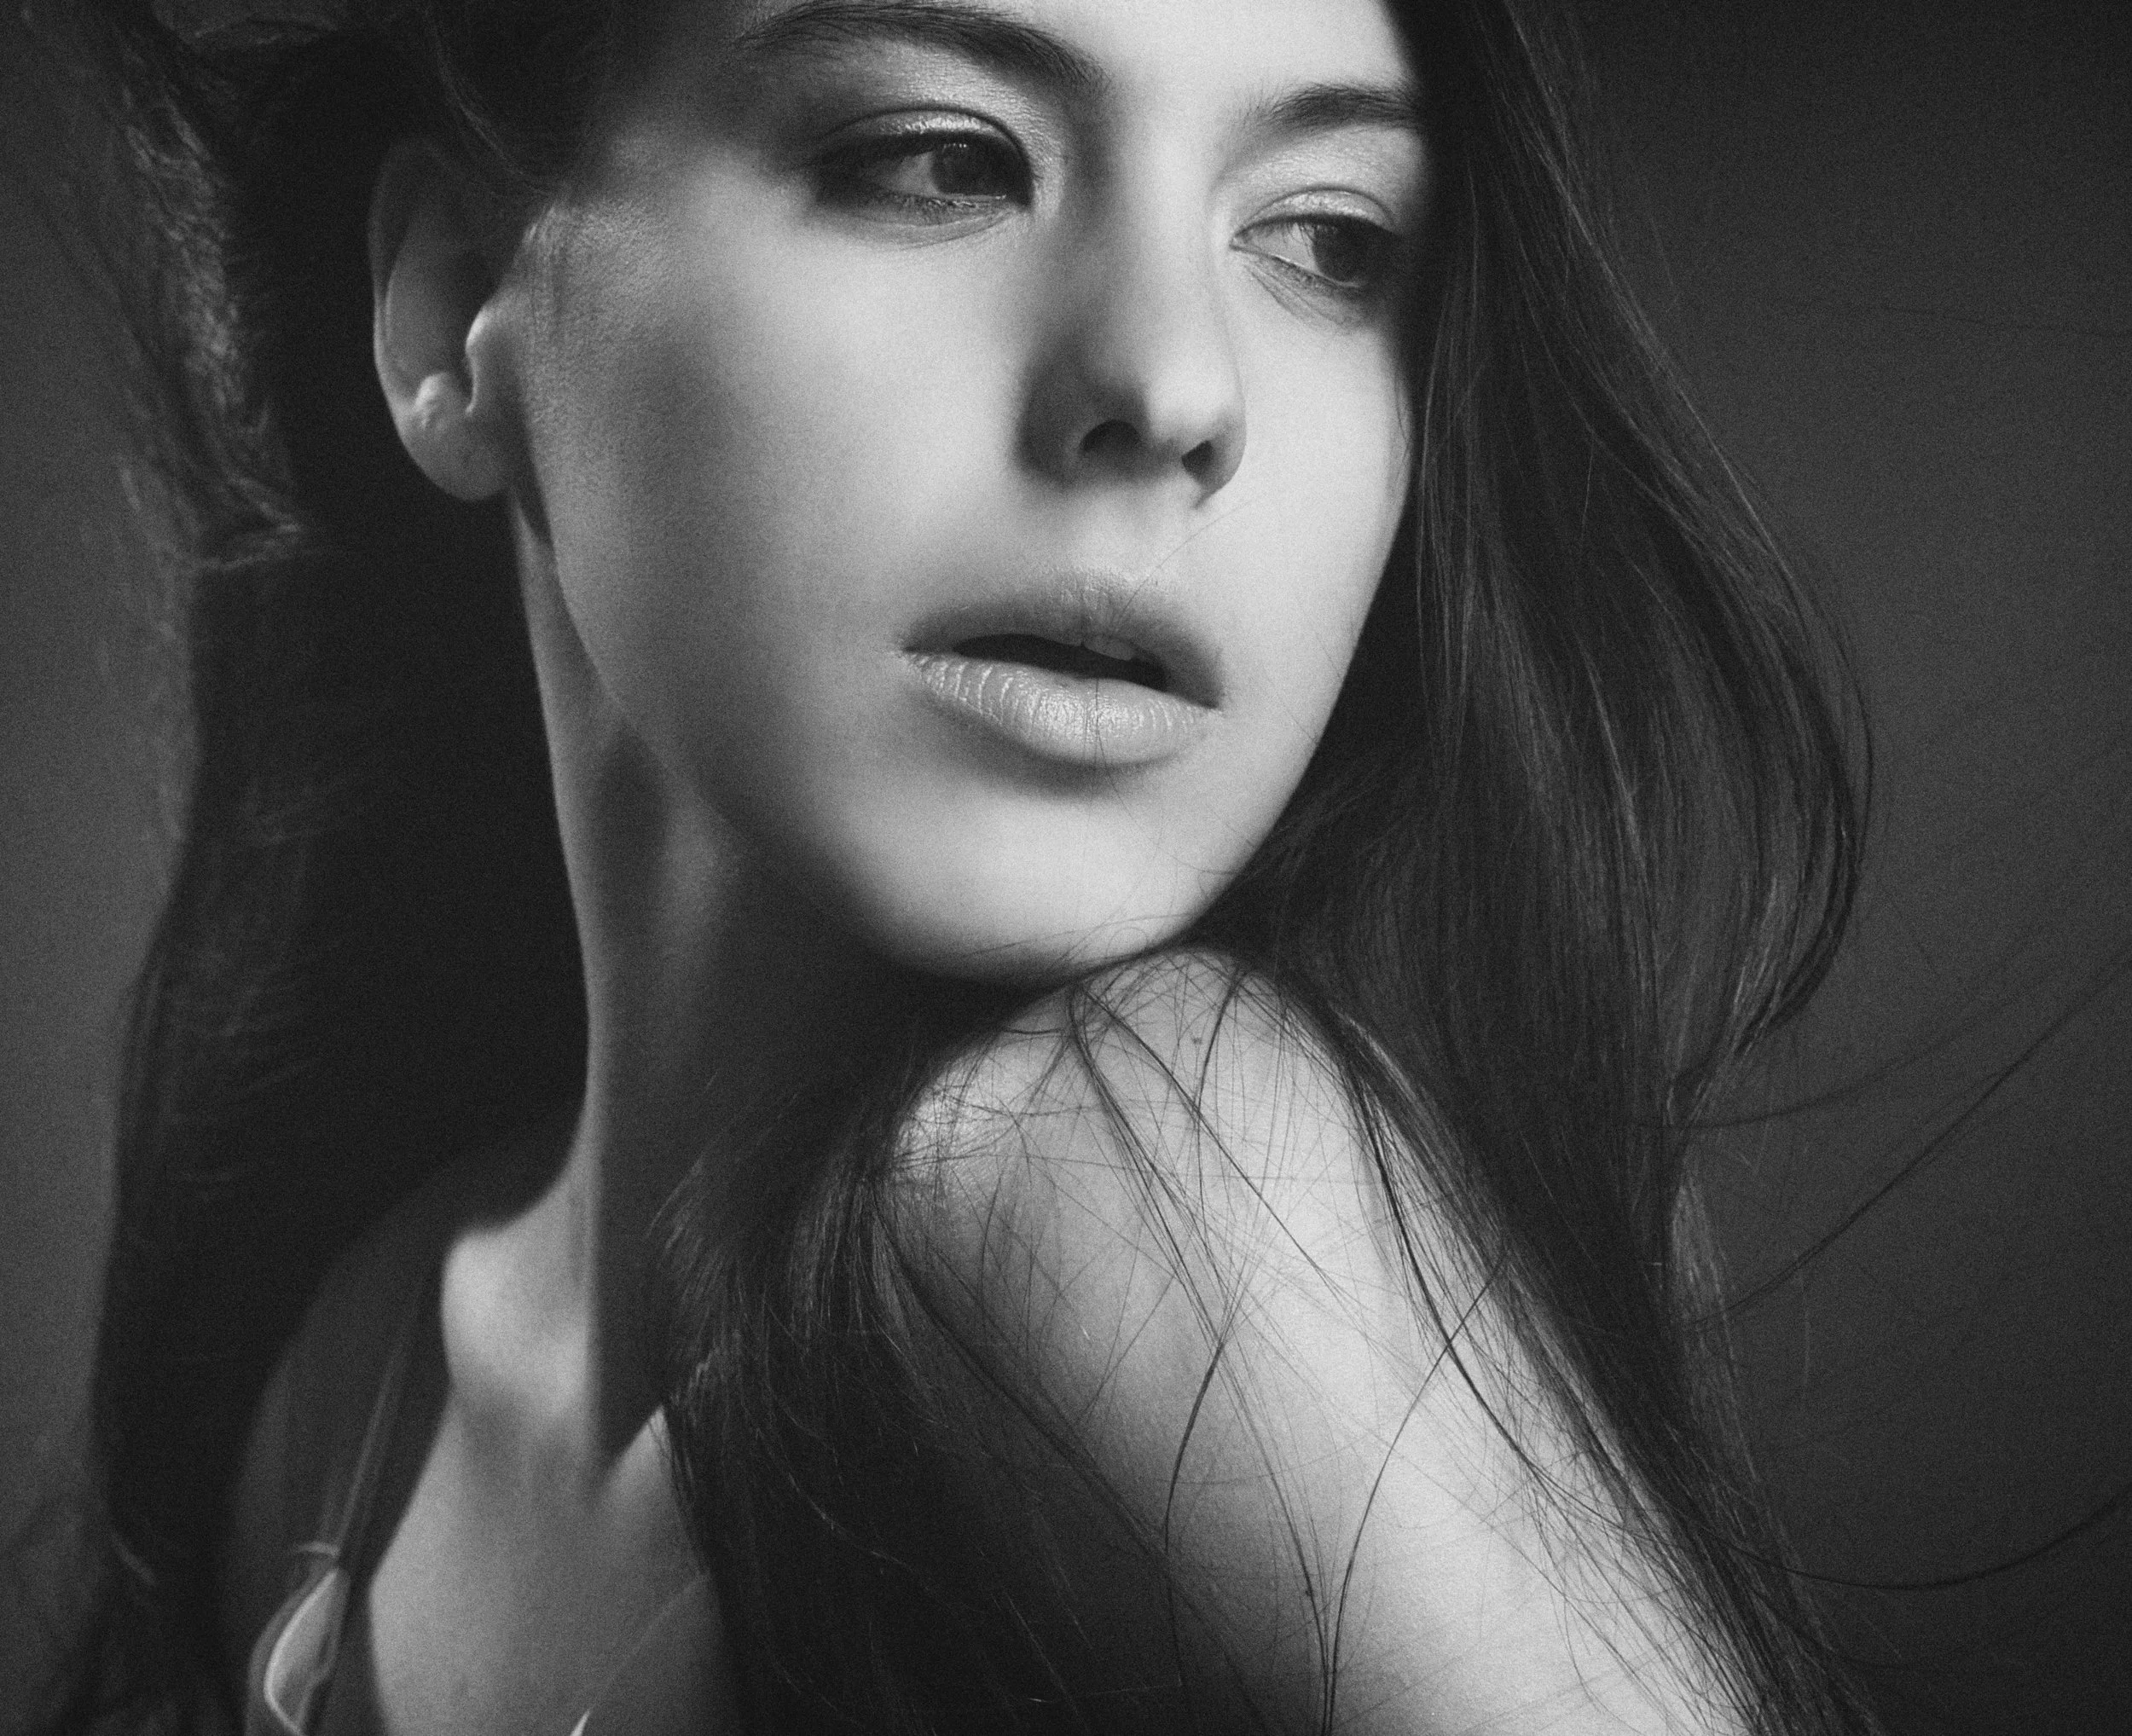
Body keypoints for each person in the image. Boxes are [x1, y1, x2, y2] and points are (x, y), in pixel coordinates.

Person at [26, 0, 1884, 1729]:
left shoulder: (1133, 1159)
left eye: (1326, 239)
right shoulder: (350, 1391)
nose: (1170, 385)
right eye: (943, 157)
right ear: (453, 311)